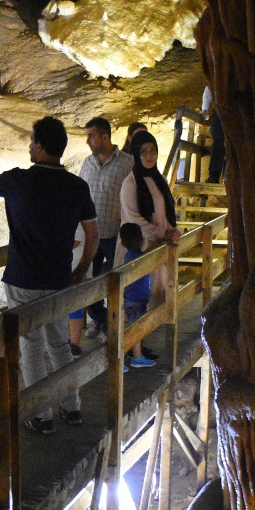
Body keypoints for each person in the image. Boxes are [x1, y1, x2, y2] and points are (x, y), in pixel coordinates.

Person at [0, 117, 99, 435]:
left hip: (23, 278)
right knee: (59, 345)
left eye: (31, 140)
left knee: (31, 347)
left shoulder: (18, 180)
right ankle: (71, 407)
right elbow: (93, 234)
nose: (29, 145)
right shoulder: (77, 187)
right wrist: (80, 270)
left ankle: (41, 415)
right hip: (59, 278)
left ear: (38, 145)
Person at [78, 116, 135, 337]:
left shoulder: (127, 163)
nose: (87, 141)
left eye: (91, 136)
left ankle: (118, 326)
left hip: (114, 235)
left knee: (117, 283)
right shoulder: (87, 163)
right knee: (86, 282)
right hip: (90, 235)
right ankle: (101, 319)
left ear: (105, 137)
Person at [120, 130, 181, 305]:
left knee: (162, 293)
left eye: (153, 150)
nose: (149, 155)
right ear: (136, 154)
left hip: (160, 244)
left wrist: (171, 230)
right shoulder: (130, 183)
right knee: (141, 299)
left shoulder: (159, 179)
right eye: (144, 151)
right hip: (142, 246)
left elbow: (165, 210)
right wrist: (163, 233)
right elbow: (133, 219)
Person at [119, 223, 157, 370]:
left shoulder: (131, 256)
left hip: (132, 299)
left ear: (122, 243)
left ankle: (129, 358)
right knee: (135, 330)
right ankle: (136, 358)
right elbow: (149, 256)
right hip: (135, 300)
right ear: (142, 239)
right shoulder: (137, 258)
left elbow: (147, 254)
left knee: (131, 329)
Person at [201, 86, 226, 184]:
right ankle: (214, 176)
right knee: (218, 141)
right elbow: (209, 89)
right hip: (220, 111)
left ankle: (227, 176)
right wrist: (205, 109)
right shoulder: (217, 74)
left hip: (234, 112)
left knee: (231, 144)